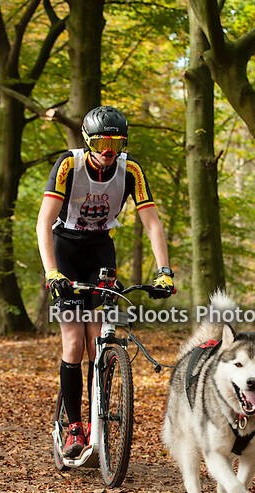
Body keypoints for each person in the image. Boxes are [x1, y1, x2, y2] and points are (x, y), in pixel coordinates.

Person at [36, 105, 174, 458]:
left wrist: (164, 271)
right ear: (88, 141)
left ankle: (99, 419)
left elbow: (152, 223)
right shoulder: (69, 165)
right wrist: (52, 272)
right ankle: (73, 427)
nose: (108, 151)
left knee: (98, 343)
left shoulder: (131, 170)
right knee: (74, 344)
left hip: (100, 251)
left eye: (116, 143)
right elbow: (43, 222)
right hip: (65, 250)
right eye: (101, 143)